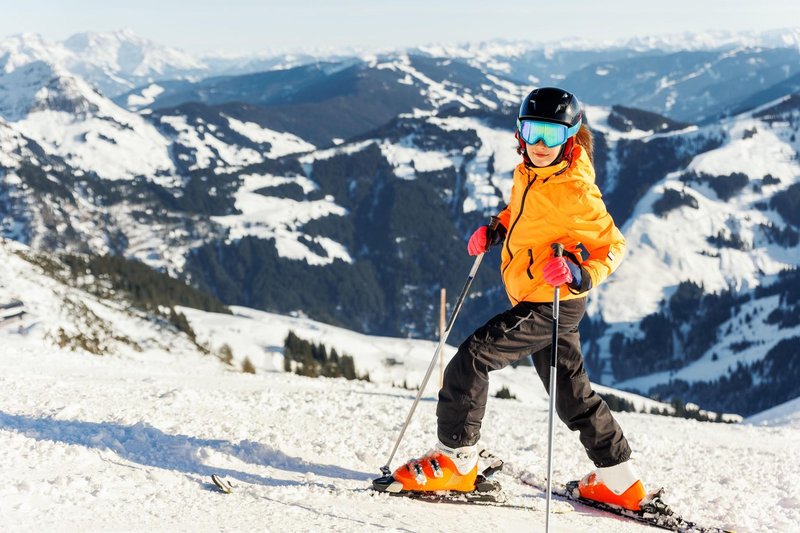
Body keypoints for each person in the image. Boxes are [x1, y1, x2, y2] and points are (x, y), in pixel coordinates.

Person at [386, 87, 646, 511]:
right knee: (571, 395)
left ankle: (457, 460)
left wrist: (581, 274)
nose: (541, 145)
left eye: (551, 134)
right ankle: (620, 480)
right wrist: (498, 228)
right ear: (519, 133)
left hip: (551, 302)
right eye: (532, 131)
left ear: (571, 136)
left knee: (472, 358)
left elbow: (613, 246)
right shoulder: (529, 172)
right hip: (538, 297)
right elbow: (529, 218)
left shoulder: (575, 191)